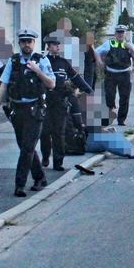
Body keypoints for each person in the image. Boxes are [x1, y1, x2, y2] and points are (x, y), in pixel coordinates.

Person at [0, 29, 55, 196]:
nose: (27, 44)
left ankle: (19, 185)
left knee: (27, 147)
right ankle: (40, 177)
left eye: (30, 41)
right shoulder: (14, 61)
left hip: (35, 109)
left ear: (34, 43)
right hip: (17, 110)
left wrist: (37, 71)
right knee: (25, 147)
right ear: (19, 43)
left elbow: (51, 84)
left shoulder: (42, 60)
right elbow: (3, 85)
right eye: (24, 41)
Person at [40, 34, 93, 171]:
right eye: (55, 44)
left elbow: (75, 77)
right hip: (45, 101)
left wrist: (88, 89)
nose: (58, 47)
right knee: (45, 132)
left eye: (58, 44)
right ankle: (46, 156)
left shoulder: (63, 62)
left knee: (59, 133)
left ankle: (58, 162)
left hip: (59, 102)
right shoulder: (42, 61)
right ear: (49, 46)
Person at [95, 25, 134, 128]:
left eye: (122, 33)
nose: (120, 35)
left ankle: (121, 120)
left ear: (125, 34)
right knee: (109, 96)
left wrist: (131, 49)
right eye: (118, 33)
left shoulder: (128, 44)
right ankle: (109, 116)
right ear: (115, 34)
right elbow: (97, 52)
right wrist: (100, 63)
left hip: (124, 73)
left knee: (124, 97)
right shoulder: (109, 43)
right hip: (111, 74)